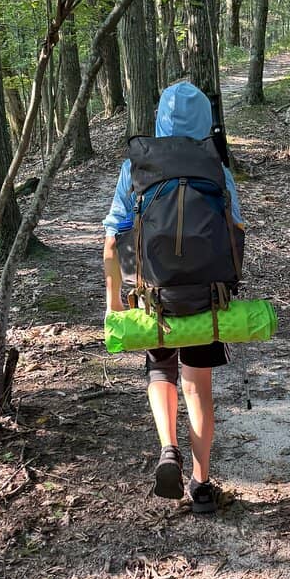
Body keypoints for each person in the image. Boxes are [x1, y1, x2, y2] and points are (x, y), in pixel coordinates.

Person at [102, 81, 243, 515]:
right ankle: (201, 485)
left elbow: (112, 241)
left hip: (151, 294)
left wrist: (114, 301)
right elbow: (236, 232)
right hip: (204, 295)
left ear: (160, 120)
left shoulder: (137, 167)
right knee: (198, 388)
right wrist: (229, 288)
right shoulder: (217, 168)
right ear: (206, 122)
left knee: (160, 373)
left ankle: (168, 449)